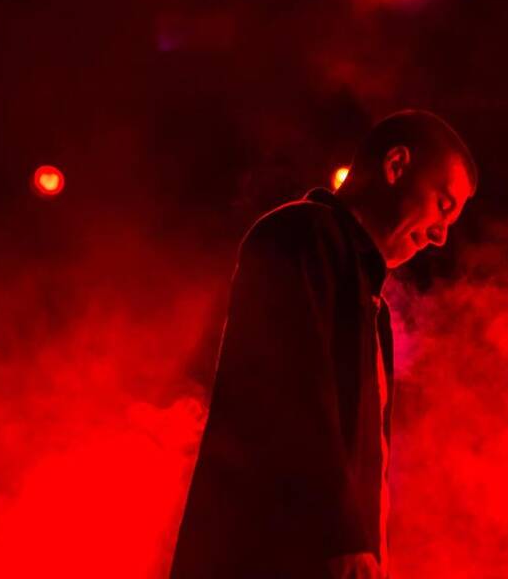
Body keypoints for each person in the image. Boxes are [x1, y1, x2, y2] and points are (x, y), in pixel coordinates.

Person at [170, 110, 478, 579]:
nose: (440, 235)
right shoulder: (302, 234)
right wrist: (343, 537)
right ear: (396, 165)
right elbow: (293, 393)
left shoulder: (366, 296)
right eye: (443, 204)